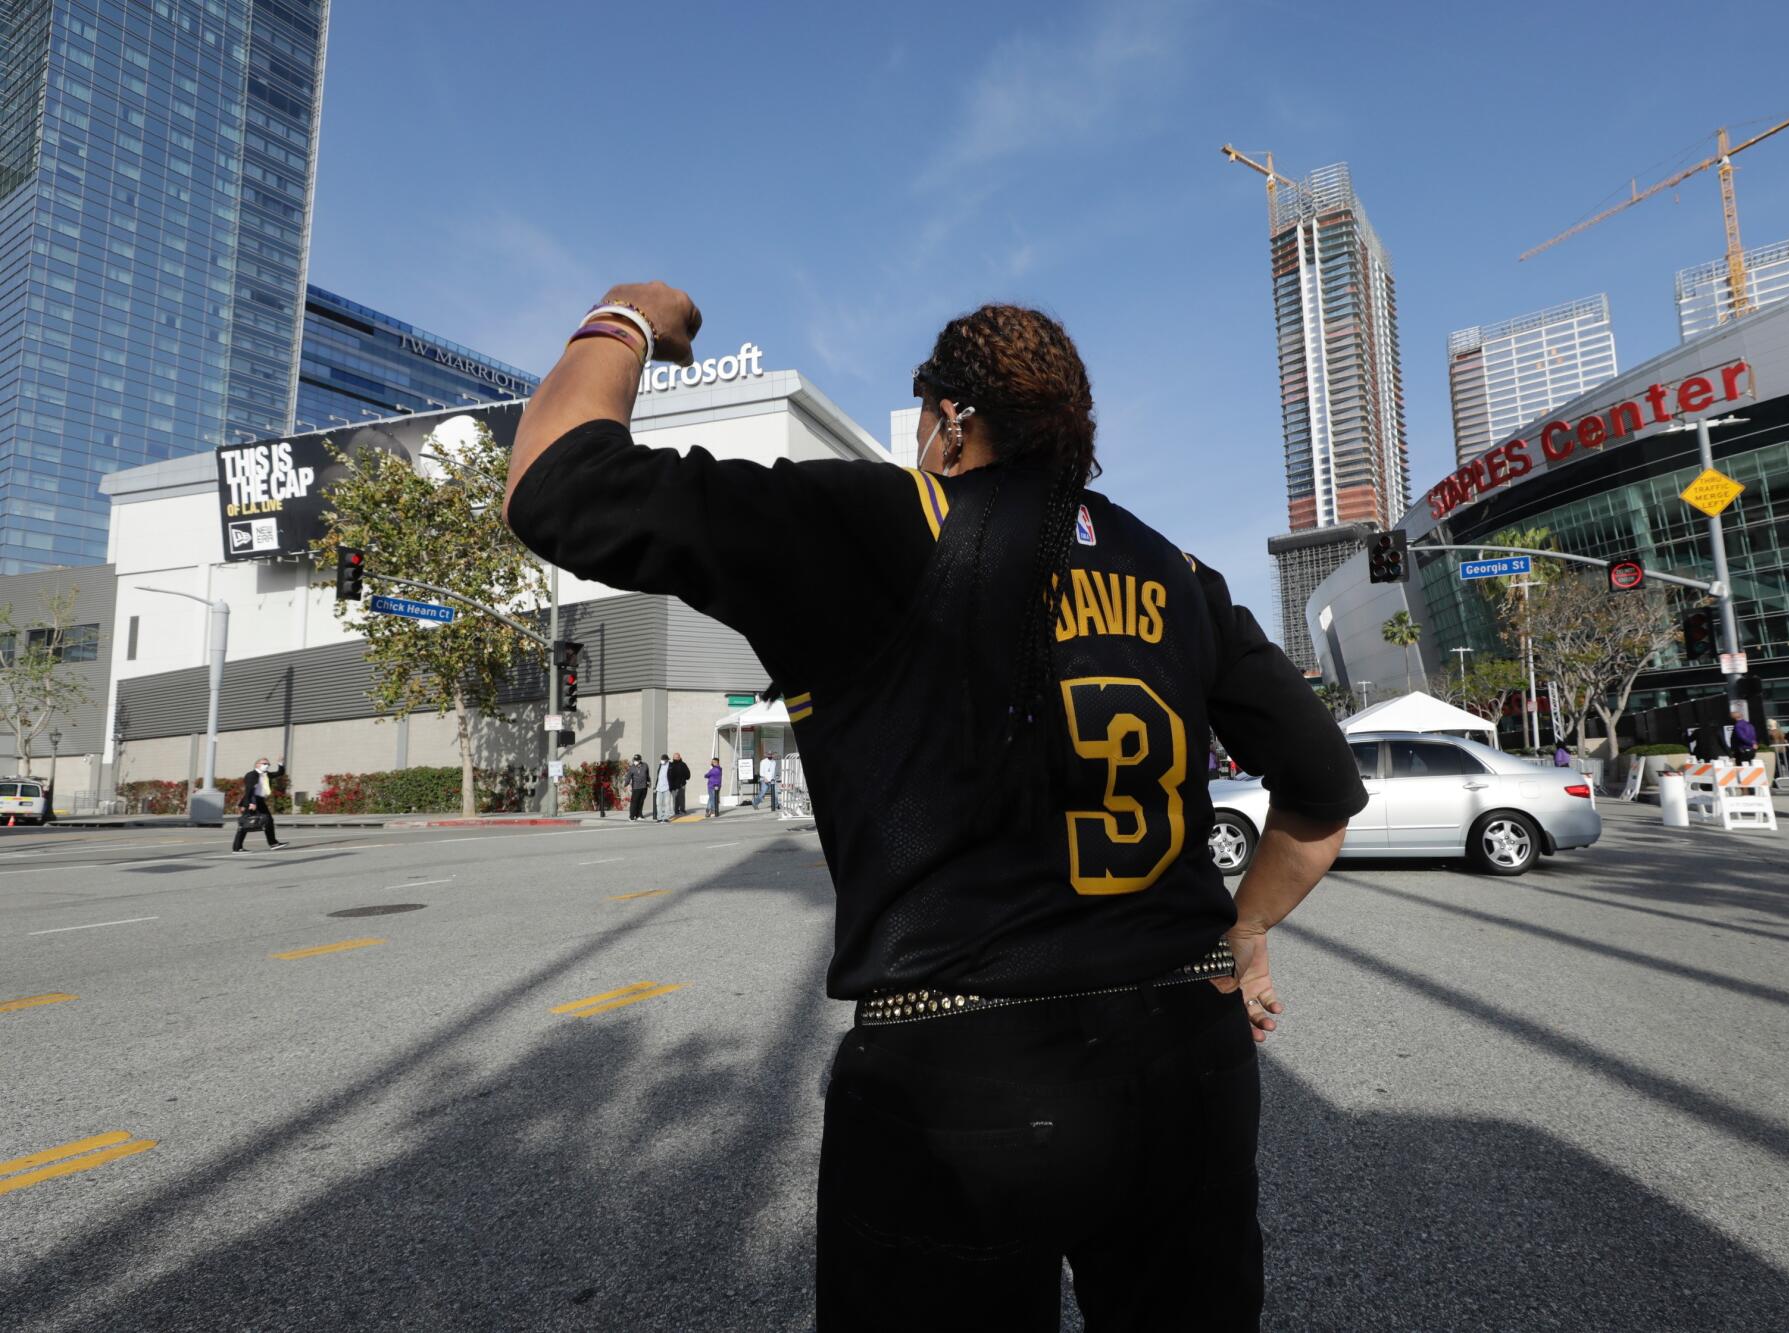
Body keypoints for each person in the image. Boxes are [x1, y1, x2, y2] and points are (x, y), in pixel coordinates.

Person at [503, 286, 1365, 1328]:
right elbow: (1319, 792)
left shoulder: (884, 521)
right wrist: (1247, 927)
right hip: (1187, 1055)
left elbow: (551, 483)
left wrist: (625, 318)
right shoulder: (1178, 573)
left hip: (959, 1071)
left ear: (952, 417)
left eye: (923, 411)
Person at [231, 756, 289, 852]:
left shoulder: (266, 775)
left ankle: (273, 843)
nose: (267, 766)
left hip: (260, 801)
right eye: (264, 764)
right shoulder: (251, 775)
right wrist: (251, 803)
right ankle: (237, 848)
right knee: (244, 823)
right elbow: (250, 789)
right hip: (252, 801)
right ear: (257, 765)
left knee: (268, 820)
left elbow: (280, 773)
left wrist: (280, 764)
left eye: (268, 764)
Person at [665, 752, 691, 818]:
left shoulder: (683, 764)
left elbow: (688, 774)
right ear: (673, 758)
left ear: (680, 757)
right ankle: (676, 810)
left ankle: (682, 809)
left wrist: (684, 778)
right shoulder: (671, 765)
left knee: (682, 798)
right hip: (673, 785)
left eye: (677, 757)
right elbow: (668, 775)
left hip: (682, 784)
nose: (676, 758)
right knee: (675, 798)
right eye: (675, 757)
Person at [625, 754, 650, 820]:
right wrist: (626, 784)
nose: (635, 761)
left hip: (644, 787)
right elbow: (628, 776)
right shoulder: (632, 767)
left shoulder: (645, 765)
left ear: (640, 760)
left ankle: (639, 815)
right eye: (634, 760)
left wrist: (649, 782)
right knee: (634, 802)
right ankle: (632, 816)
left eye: (636, 760)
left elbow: (647, 775)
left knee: (641, 801)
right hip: (636, 787)